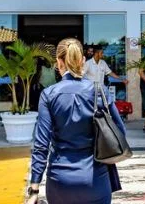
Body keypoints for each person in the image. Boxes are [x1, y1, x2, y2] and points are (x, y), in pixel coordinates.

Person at [28, 38, 126, 204]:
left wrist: (35, 188)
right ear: (82, 61)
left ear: (58, 62)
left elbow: (41, 145)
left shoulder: (49, 94)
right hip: (95, 179)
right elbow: (120, 133)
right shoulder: (99, 91)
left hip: (59, 181)